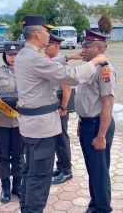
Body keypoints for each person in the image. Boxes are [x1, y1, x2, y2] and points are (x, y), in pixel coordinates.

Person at [15, 15, 109, 213]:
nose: (50, 34)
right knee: (40, 175)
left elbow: (45, 64)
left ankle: (25, 207)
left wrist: (68, 57)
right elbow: (71, 76)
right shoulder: (34, 57)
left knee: (30, 171)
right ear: (37, 33)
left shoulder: (25, 54)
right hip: (41, 128)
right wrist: (95, 62)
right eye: (47, 31)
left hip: (30, 126)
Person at [75, 28, 116, 213]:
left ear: (100, 48)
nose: (82, 49)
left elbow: (107, 104)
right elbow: (85, 98)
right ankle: (95, 203)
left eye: (87, 46)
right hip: (87, 123)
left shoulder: (104, 69)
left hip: (98, 125)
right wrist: (80, 122)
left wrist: (101, 135)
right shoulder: (88, 67)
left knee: (99, 170)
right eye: (82, 45)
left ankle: (103, 208)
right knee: (92, 168)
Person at [0, 41, 25, 203]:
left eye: (16, 55)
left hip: (20, 121)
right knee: (3, 155)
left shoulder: (27, 72)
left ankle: (17, 185)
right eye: (10, 55)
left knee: (19, 155)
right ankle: (4, 187)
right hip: (1, 121)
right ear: (5, 55)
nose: (13, 58)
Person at [44, 34, 73, 185]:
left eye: (47, 46)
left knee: (62, 139)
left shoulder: (62, 64)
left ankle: (67, 171)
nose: (44, 48)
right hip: (51, 104)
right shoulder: (49, 62)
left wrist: (64, 107)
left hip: (60, 105)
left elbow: (67, 88)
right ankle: (60, 166)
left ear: (55, 46)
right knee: (56, 139)